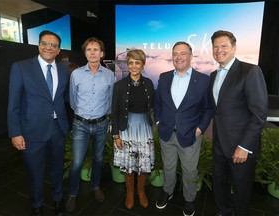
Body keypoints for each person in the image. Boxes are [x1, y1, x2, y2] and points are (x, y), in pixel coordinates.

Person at [7, 30, 70, 216]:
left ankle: (58, 200)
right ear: (39, 45)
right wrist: (15, 132)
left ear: (58, 50)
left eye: (53, 45)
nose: (49, 47)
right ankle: (37, 204)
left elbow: (65, 98)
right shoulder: (21, 67)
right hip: (31, 131)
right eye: (45, 43)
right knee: (35, 172)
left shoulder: (64, 70)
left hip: (58, 128)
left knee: (58, 168)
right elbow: (14, 103)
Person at [209, 30, 268, 216]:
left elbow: (259, 114)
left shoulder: (250, 71)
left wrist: (244, 146)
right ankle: (225, 212)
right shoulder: (213, 75)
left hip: (241, 147)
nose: (219, 50)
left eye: (224, 46)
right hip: (219, 145)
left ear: (234, 48)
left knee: (242, 192)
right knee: (220, 185)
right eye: (216, 46)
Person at [154, 41, 213, 216]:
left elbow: (208, 108)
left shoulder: (203, 80)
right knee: (168, 166)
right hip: (166, 133)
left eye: (183, 53)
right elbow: (157, 103)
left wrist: (200, 129)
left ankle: (189, 200)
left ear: (190, 56)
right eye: (175, 54)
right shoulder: (164, 77)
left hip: (190, 135)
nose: (178, 57)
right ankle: (168, 191)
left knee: (190, 170)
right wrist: (158, 122)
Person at [65, 37, 115, 212]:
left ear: (102, 54)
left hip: (101, 124)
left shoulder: (110, 75)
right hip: (81, 124)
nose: (92, 52)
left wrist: (105, 118)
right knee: (77, 162)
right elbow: (72, 101)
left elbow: (111, 101)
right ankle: (72, 193)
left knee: (99, 159)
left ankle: (95, 186)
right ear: (85, 53)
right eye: (89, 49)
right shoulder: (76, 74)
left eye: (96, 49)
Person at [111, 49, 155, 209]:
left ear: (143, 64)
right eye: (131, 63)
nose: (134, 66)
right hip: (126, 128)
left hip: (144, 128)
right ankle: (130, 192)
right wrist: (116, 135)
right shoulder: (119, 86)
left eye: (137, 62)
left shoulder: (149, 83)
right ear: (127, 65)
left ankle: (141, 191)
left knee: (143, 163)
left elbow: (153, 107)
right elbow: (114, 112)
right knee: (128, 163)